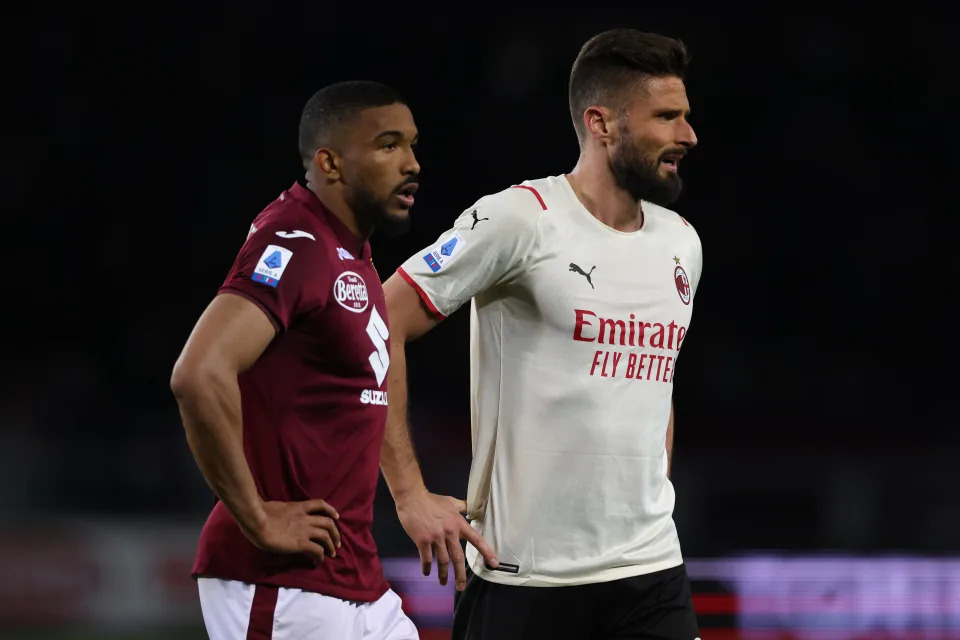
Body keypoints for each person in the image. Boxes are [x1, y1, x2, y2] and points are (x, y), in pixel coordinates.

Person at [380, 29, 703, 639]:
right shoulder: (520, 220)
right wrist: (409, 495)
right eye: (667, 116)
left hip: (652, 571)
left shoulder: (681, 242)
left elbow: (654, 382)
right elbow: (378, 321)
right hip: (524, 581)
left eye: (686, 116)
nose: (688, 135)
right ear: (601, 123)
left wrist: (647, 487)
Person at [169, 81, 425, 639]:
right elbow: (199, 372)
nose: (411, 163)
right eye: (388, 146)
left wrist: (413, 494)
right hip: (282, 585)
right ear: (330, 162)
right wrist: (257, 517)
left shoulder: (348, 252)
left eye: (411, 145)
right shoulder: (296, 241)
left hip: (355, 579)